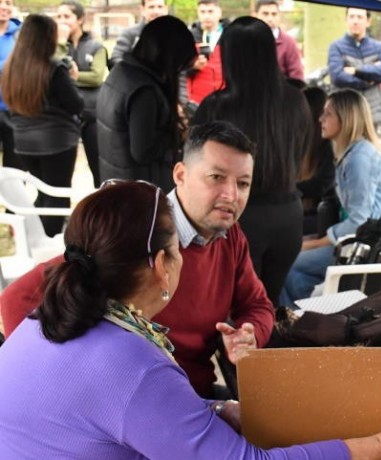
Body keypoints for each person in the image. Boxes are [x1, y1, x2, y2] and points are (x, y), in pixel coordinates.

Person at [0, 180, 381, 459]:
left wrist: (221, 410)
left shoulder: (43, 321)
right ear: (162, 264)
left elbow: (130, 414)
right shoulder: (134, 365)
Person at [2, 122, 273, 398]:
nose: (231, 195)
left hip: (194, 394)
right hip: (134, 403)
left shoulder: (230, 236)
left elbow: (257, 304)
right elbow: (16, 298)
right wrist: (61, 389)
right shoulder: (140, 228)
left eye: (243, 183)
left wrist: (248, 335)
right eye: (216, 177)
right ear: (180, 174)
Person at [193, 16, 312, 306]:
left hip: (237, 218)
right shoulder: (296, 100)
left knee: (237, 313)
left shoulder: (216, 106)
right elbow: (302, 154)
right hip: (288, 217)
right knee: (266, 307)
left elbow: (197, 164)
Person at [282, 89, 381, 305]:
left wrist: (317, 243)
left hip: (369, 245)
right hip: (360, 239)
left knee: (291, 265)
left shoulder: (359, 159)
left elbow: (359, 221)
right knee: (293, 258)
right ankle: (297, 320)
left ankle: (295, 324)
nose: (320, 119)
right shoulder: (352, 154)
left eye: (328, 114)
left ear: (346, 119)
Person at [1, 14, 82, 237]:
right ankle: (50, 242)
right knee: (57, 196)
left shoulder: (11, 67)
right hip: (57, 143)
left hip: (24, 142)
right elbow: (76, 104)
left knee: (43, 193)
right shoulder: (54, 68)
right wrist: (72, 78)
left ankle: (36, 236)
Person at [97, 16, 197, 191]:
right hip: (140, 191)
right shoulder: (144, 91)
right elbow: (143, 151)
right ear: (167, 57)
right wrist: (177, 134)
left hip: (118, 180)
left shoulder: (121, 72)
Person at [56, 0, 108, 187]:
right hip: (64, 117)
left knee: (98, 166)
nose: (62, 21)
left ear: (79, 19)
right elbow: (51, 70)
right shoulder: (57, 46)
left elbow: (97, 76)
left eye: (67, 16)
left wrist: (72, 76)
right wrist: (60, 45)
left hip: (92, 115)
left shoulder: (96, 46)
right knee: (61, 172)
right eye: (59, 16)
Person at [327, 8, 381, 126]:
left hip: (371, 112)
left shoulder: (378, 47)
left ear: (368, 21)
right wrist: (369, 79)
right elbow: (338, 77)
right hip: (345, 111)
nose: (355, 21)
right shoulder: (336, 47)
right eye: (351, 17)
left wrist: (356, 70)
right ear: (346, 20)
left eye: (360, 17)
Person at [298, 86, 336, 236]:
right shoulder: (302, 141)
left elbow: (321, 185)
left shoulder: (329, 146)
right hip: (307, 214)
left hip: (323, 220)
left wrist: (288, 190)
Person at [185, 0, 229, 105]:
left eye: (210, 11)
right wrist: (193, 67)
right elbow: (180, 71)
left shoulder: (231, 35)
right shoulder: (189, 37)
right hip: (198, 101)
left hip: (226, 99)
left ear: (219, 12)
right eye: (203, 12)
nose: (206, 16)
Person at [108, 0, 168, 68]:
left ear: (166, 9)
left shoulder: (175, 35)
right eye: (151, 7)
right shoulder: (129, 34)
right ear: (142, 9)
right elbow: (115, 59)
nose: (156, 11)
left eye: (160, 7)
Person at [255, 0, 304, 80]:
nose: (270, 18)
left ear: (279, 16)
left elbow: (296, 76)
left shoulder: (289, 42)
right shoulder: (246, 39)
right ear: (256, 15)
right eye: (265, 14)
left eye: (274, 14)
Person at [0, 0, 21, 170]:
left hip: (14, 110)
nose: (4, 7)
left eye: (8, 2)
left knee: (14, 170)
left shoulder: (21, 35)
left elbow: (26, 64)